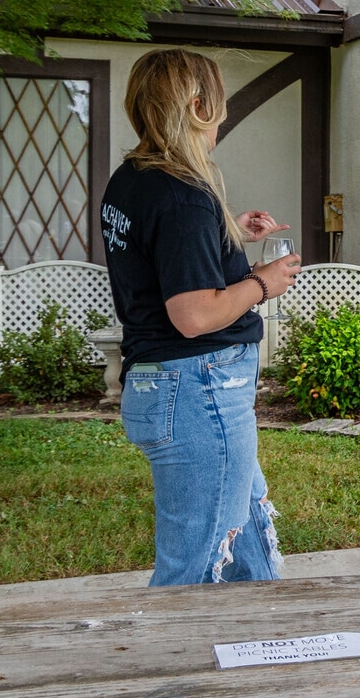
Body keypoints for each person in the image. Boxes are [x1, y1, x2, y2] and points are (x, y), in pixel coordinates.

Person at [105, 48, 300, 585]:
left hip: (165, 385)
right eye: (219, 103)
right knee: (190, 570)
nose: (224, 115)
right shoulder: (183, 193)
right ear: (196, 105)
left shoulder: (134, 178)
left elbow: (158, 252)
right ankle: (170, 666)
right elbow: (193, 314)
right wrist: (263, 283)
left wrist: (225, 232)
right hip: (197, 388)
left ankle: (261, 649)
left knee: (246, 542)